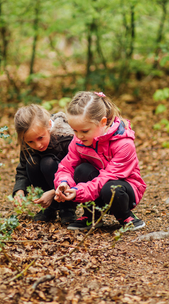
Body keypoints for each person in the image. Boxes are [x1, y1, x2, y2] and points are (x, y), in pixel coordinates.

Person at [54, 91, 146, 231]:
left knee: (111, 188)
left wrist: (78, 191)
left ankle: (125, 216)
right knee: (81, 170)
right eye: (75, 131)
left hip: (124, 188)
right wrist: (64, 183)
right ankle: (91, 216)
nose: (79, 136)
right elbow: (66, 167)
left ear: (102, 122)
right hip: (96, 186)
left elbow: (107, 178)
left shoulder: (124, 144)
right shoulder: (79, 141)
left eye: (84, 131)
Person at [13, 105, 77, 224]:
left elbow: (75, 171)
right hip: (49, 188)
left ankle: (67, 208)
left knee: (48, 163)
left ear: (48, 125)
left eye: (40, 138)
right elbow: (22, 168)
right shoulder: (27, 141)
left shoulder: (66, 138)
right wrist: (20, 189)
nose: (37, 145)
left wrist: (54, 192)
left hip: (68, 185)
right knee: (32, 162)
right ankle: (51, 207)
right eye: (30, 141)